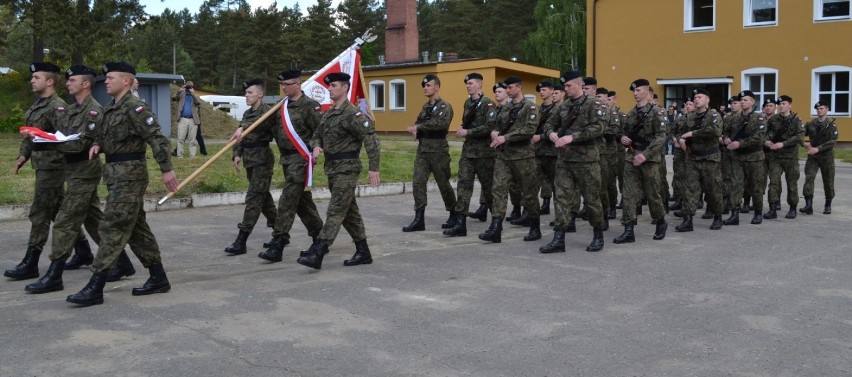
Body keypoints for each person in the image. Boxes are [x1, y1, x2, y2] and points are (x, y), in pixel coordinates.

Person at [66, 61, 179, 306]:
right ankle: (158, 277)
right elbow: (109, 136)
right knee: (137, 228)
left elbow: (157, 138)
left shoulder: (135, 107)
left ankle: (95, 286)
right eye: (106, 78)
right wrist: (99, 145)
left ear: (126, 81)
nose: (105, 81)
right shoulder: (112, 107)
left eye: (111, 78)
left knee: (112, 226)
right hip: (115, 174)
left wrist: (166, 169)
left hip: (130, 174)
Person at [23, 65, 133, 293]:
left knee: (65, 221)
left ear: (85, 84)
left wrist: (50, 141)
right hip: (72, 171)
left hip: (85, 170)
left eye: (72, 81)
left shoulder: (94, 111)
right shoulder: (72, 109)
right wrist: (41, 136)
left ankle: (54, 275)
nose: (67, 84)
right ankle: (121, 262)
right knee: (93, 220)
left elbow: (81, 143)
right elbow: (62, 134)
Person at [297, 72, 381, 270]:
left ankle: (319, 250)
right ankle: (363, 252)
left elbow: (371, 140)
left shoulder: (354, 114)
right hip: (332, 169)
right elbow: (316, 135)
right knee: (349, 213)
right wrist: (317, 146)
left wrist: (374, 168)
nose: (330, 88)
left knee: (335, 211)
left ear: (345, 87)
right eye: (329, 86)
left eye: (334, 85)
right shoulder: (329, 113)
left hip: (347, 169)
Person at [6, 62, 69, 281]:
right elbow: (30, 133)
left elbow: (65, 136)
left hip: (53, 166)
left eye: (37, 77)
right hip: (41, 164)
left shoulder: (57, 106)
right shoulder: (37, 106)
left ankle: (31, 262)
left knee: (40, 212)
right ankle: (83, 251)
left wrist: (41, 138)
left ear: (50, 81)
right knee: (58, 210)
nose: (32, 80)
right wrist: (24, 154)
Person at [258, 70, 325, 262]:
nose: (283, 88)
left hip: (301, 159)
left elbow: (321, 131)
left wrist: (316, 147)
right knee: (302, 203)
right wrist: (241, 127)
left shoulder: (310, 106)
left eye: (287, 84)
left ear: (298, 84)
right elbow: (265, 125)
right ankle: (320, 238)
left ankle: (278, 243)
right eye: (282, 85)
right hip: (286, 160)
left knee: (287, 201)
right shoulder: (281, 106)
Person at [539, 71, 605, 253]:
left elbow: (599, 127)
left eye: (568, 86)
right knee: (561, 198)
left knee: (591, 200)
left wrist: (572, 137)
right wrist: (551, 134)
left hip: (587, 161)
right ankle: (559, 238)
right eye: (564, 86)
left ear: (579, 85)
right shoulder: (562, 106)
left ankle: (598, 234)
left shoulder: (594, 103)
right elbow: (548, 124)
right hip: (565, 160)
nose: (565, 89)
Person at [479, 76, 540, 243]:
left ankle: (535, 226)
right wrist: (495, 132)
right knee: (498, 189)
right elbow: (499, 124)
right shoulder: (505, 108)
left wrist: (505, 137)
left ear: (519, 87)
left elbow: (529, 130)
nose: (508, 90)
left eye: (510, 87)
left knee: (529, 193)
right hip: (504, 156)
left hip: (523, 156)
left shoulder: (530, 107)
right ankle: (495, 228)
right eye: (506, 88)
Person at [221, 79, 279, 257]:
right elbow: (241, 136)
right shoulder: (246, 113)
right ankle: (280, 233)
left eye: (250, 93)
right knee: (265, 200)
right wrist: (237, 153)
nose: (246, 95)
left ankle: (242, 240)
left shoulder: (267, 112)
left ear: (260, 94)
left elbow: (260, 125)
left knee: (254, 199)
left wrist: (243, 128)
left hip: (262, 161)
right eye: (246, 93)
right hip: (250, 161)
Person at [613, 79, 667, 244]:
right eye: (634, 91)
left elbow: (661, 137)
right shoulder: (631, 114)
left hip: (649, 158)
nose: (635, 94)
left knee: (652, 194)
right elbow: (624, 132)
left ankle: (660, 222)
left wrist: (646, 154)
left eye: (638, 91)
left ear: (646, 92)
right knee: (628, 194)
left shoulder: (657, 112)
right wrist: (622, 138)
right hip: (631, 156)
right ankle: (628, 229)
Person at [444, 73, 496, 237]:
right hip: (468, 152)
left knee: (489, 189)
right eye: (467, 83)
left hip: (484, 153)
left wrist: (468, 131)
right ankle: (461, 223)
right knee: (463, 186)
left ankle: (496, 222)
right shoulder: (468, 102)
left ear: (480, 84)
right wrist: (463, 129)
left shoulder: (488, 104)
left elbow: (490, 127)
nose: (468, 85)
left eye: (471, 83)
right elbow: (466, 121)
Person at [402, 74, 457, 232]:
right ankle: (419, 218)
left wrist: (418, 128)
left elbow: (441, 124)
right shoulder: (426, 107)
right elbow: (419, 122)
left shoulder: (444, 106)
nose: (425, 88)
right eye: (424, 86)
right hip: (423, 150)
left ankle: (454, 213)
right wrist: (416, 132)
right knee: (418, 182)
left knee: (443, 184)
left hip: (438, 151)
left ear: (437, 87)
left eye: (428, 85)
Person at [674, 89, 724, 232]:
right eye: (695, 97)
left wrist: (693, 133)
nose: (696, 100)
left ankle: (718, 216)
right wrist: (680, 139)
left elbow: (715, 131)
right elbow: (678, 130)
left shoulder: (714, 115)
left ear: (707, 100)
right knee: (690, 189)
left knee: (713, 189)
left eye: (699, 97)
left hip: (710, 158)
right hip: (693, 157)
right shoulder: (690, 117)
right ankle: (688, 219)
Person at [723, 90, 766, 225]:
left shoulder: (759, 118)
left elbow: (759, 138)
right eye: (741, 100)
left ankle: (758, 213)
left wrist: (740, 143)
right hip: (737, 158)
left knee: (756, 186)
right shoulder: (734, 118)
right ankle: (734, 214)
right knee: (736, 185)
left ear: (753, 102)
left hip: (754, 157)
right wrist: (726, 139)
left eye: (745, 100)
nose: (742, 102)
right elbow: (725, 132)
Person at [763, 95, 803, 219]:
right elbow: (764, 133)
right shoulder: (773, 119)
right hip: (776, 157)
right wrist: (766, 141)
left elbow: (799, 136)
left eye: (784, 103)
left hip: (790, 157)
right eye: (780, 104)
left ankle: (792, 208)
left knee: (791, 184)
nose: (781, 106)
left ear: (790, 105)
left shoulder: (796, 120)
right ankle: (773, 208)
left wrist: (783, 144)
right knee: (774, 183)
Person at [801, 101, 838, 215]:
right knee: (809, 178)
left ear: (827, 109)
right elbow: (800, 134)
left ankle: (828, 204)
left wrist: (819, 148)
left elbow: (832, 141)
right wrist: (804, 143)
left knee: (828, 181)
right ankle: (808, 204)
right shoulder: (811, 124)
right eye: (817, 109)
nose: (819, 110)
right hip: (813, 157)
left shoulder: (832, 125)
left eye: (821, 108)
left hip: (826, 157)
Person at [531, 80, 557, 217]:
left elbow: (559, 131)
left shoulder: (559, 109)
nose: (541, 92)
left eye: (544, 90)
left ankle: (563, 216)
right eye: (540, 90)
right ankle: (529, 213)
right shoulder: (537, 109)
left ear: (552, 91)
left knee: (557, 186)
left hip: (553, 153)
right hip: (538, 152)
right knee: (533, 184)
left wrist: (540, 137)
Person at [171, 80, 201, 158]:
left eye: (190, 87)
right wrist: (179, 90)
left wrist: (193, 94)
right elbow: (173, 98)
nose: (188, 89)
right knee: (180, 138)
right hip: (182, 119)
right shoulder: (182, 94)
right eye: (187, 87)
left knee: (192, 140)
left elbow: (198, 103)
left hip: (193, 120)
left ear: (192, 88)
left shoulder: (194, 95)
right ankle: (180, 155)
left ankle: (192, 155)